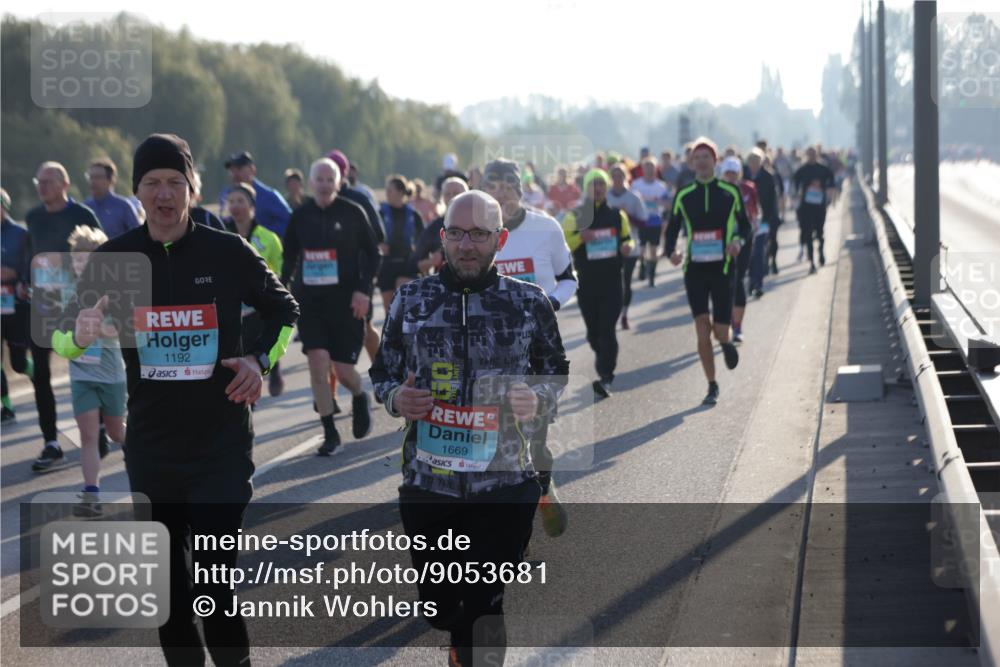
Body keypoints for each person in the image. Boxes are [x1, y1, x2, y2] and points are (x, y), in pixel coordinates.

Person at [52, 133, 299, 666]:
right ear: (137, 190)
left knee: (215, 587)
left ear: (192, 188)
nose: (163, 194)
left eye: (174, 182)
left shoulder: (226, 250)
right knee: (168, 593)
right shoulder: (114, 259)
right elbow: (62, 336)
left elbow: (285, 310)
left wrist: (258, 361)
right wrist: (80, 332)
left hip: (220, 446)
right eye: (152, 183)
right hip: (153, 448)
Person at [369, 190, 569, 667]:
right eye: (457, 233)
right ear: (442, 238)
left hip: (504, 485)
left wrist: (537, 398)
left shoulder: (528, 302)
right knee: (441, 609)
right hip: (429, 484)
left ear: (500, 239)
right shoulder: (412, 300)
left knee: (485, 605)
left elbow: (554, 370)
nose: (466, 245)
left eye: (479, 234)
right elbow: (383, 372)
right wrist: (397, 398)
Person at [482, 159, 577, 538]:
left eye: (508, 186)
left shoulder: (545, 228)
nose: (502, 193)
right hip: (486, 353)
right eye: (494, 186)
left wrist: (549, 304)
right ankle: (511, 532)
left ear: (520, 190)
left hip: (536, 351)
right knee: (495, 441)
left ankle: (544, 489)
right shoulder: (476, 233)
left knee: (534, 439)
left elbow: (569, 279)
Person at [282, 158, 378, 455]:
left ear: (338, 183)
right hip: (311, 302)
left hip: (346, 302)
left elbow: (373, 254)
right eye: (319, 179)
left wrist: (363, 291)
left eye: (329, 180)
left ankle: (359, 395)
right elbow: (290, 257)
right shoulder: (301, 216)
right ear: (311, 183)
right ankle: (330, 433)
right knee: (317, 361)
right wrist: (282, 289)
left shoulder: (352, 212)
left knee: (344, 371)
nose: (324, 185)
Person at [25, 161, 103, 472]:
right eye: (38, 181)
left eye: (47, 181)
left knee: (88, 367)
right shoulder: (33, 217)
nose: (41, 187)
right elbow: (29, 255)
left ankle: (99, 425)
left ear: (64, 184)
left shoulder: (82, 215)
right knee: (40, 373)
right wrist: (25, 280)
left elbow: (103, 253)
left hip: (78, 302)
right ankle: (51, 442)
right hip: (43, 304)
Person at [665, 138, 750, 406]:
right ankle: (712, 385)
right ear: (691, 163)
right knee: (702, 329)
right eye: (697, 158)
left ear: (715, 161)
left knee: (721, 331)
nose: (702, 162)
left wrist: (737, 242)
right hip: (695, 270)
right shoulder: (684, 195)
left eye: (706, 157)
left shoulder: (730, 192)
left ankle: (725, 342)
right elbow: (672, 230)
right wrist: (671, 252)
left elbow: (745, 227)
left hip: (723, 268)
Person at [64, 225, 126, 518]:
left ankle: (142, 455)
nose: (81, 265)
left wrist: (95, 329)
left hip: (112, 374)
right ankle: (92, 495)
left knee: (116, 432)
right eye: (77, 259)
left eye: (87, 259)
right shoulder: (67, 293)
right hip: (81, 375)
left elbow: (121, 329)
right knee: (88, 435)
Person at [562, 169, 635, 398]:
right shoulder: (575, 216)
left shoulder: (617, 214)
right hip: (587, 282)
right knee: (593, 334)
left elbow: (627, 239)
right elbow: (564, 244)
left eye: (601, 184)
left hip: (612, 281)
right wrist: (579, 238)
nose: (598, 188)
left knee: (607, 330)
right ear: (586, 188)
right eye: (593, 184)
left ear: (607, 187)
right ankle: (602, 357)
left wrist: (628, 247)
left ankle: (606, 377)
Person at [226, 182, 286, 397]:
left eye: (240, 201)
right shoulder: (222, 236)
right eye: (231, 201)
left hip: (261, 308)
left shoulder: (269, 238)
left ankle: (273, 367)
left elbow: (280, 272)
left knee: (258, 347)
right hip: (234, 307)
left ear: (252, 206)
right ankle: (248, 399)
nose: (235, 206)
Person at [1, 188, 32, 424]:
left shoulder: (20, 234)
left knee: (18, 363)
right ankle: (7, 406)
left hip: (17, 305)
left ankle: (39, 376)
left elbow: (31, 266)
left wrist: (15, 274)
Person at [720, 156, 758, 343]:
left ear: (739, 173)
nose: (731, 176)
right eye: (728, 173)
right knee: (724, 282)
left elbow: (753, 211)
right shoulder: (718, 191)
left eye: (734, 173)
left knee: (738, 280)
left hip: (743, 239)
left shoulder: (747, 188)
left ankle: (737, 326)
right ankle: (725, 321)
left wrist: (752, 228)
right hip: (722, 242)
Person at [604, 164, 646, 331]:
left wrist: (626, 216)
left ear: (626, 177)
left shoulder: (634, 197)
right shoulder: (604, 197)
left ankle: (624, 315)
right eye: (614, 177)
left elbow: (643, 222)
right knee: (611, 283)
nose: (617, 180)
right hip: (607, 248)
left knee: (626, 282)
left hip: (630, 246)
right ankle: (612, 314)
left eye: (620, 176)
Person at [219, 151, 293, 238]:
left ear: (252, 170)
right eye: (231, 170)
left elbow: (290, 222)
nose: (235, 174)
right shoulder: (225, 195)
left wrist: (259, 233)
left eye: (239, 168)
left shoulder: (269, 196)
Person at [378, 175, 424, 312]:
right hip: (386, 264)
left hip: (406, 263)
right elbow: (371, 237)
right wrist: (379, 245)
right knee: (389, 309)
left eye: (389, 190)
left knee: (403, 304)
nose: (386, 193)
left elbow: (423, 240)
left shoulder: (413, 215)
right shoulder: (380, 214)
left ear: (400, 192)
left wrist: (420, 257)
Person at [409, 176, 468, 276]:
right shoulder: (435, 227)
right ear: (442, 198)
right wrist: (431, 262)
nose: (452, 197)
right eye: (447, 194)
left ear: (467, 195)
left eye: (456, 193)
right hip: (446, 283)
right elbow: (413, 265)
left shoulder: (479, 223)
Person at [792, 146, 837, 274]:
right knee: (807, 233)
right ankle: (812, 262)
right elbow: (795, 183)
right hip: (806, 207)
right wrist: (798, 194)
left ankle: (821, 252)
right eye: (809, 154)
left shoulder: (823, 169)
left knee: (820, 232)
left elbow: (831, 181)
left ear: (817, 155)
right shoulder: (802, 170)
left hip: (819, 206)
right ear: (806, 155)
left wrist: (828, 194)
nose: (811, 156)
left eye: (813, 154)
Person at [630, 158, 672, 288]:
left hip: (655, 221)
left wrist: (658, 201)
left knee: (653, 251)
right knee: (641, 249)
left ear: (656, 169)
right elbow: (630, 202)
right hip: (641, 222)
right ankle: (642, 265)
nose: (649, 170)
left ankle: (652, 276)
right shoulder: (636, 185)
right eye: (646, 167)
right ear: (642, 169)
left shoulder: (661, 186)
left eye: (651, 167)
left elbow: (668, 204)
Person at [746, 147, 781, 285]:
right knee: (753, 249)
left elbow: (773, 199)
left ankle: (771, 263)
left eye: (756, 161)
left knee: (767, 243)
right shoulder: (745, 176)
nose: (753, 164)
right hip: (750, 218)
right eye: (751, 161)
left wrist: (769, 217)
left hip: (766, 217)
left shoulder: (768, 176)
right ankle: (754, 276)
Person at [83, 157, 141, 239]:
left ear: (111, 180)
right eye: (90, 177)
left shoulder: (123, 207)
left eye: (98, 177)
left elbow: (138, 237)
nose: (93, 181)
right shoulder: (85, 207)